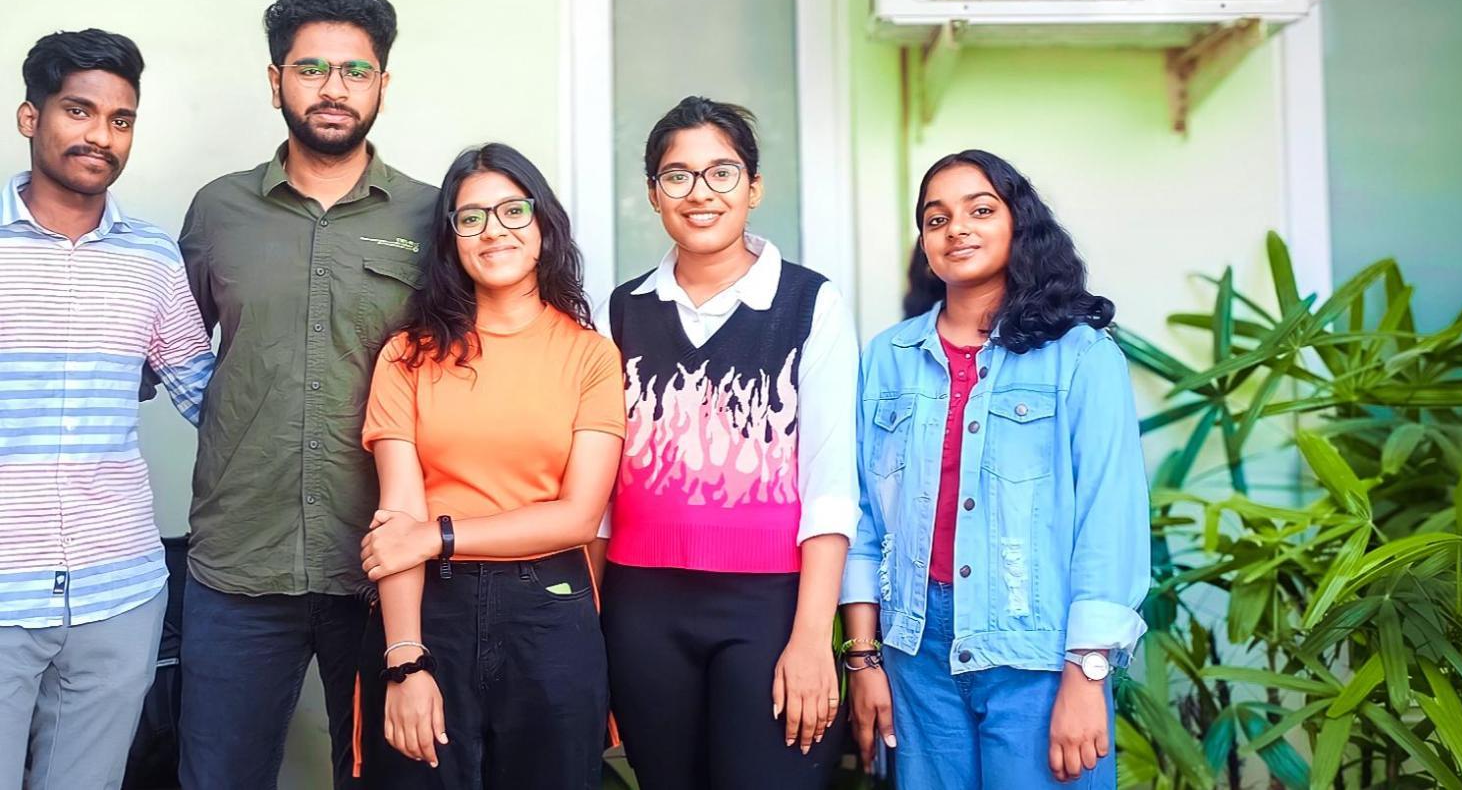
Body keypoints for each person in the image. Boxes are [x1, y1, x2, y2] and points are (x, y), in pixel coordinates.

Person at [176, 0, 439, 790]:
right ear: (275, 79)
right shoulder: (217, 211)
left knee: (391, 776)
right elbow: (179, 352)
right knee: (218, 775)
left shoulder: (436, 217)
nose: (333, 88)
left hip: (383, 565)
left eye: (355, 71)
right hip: (237, 561)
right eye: (311, 67)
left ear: (383, 86)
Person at [841, 149, 1150, 789]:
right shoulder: (887, 358)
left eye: (980, 210)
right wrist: (864, 657)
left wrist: (1088, 672)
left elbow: (1108, 516)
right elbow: (865, 516)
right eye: (936, 218)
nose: (957, 229)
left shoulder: (1082, 356)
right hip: (915, 651)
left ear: (1018, 224)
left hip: (1038, 653)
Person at [596, 96, 860, 790]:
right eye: (677, 175)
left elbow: (832, 488)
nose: (700, 192)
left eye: (721, 172)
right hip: (641, 609)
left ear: (753, 186)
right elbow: (594, 491)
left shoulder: (812, 304)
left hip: (769, 607)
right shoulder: (618, 311)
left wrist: (810, 638)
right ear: (653, 193)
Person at [355, 142, 625, 790]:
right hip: (429, 610)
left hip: (551, 611)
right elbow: (397, 521)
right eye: (470, 217)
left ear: (543, 226)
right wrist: (403, 662)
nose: (493, 229)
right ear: (450, 240)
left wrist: (438, 532)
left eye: (512, 210)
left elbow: (577, 515)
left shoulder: (591, 356)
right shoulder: (405, 356)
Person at [0, 30, 213, 790]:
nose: (100, 135)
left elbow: (206, 396)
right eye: (79, 110)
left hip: (118, 593)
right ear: (31, 117)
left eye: (120, 119)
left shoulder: (152, 257)